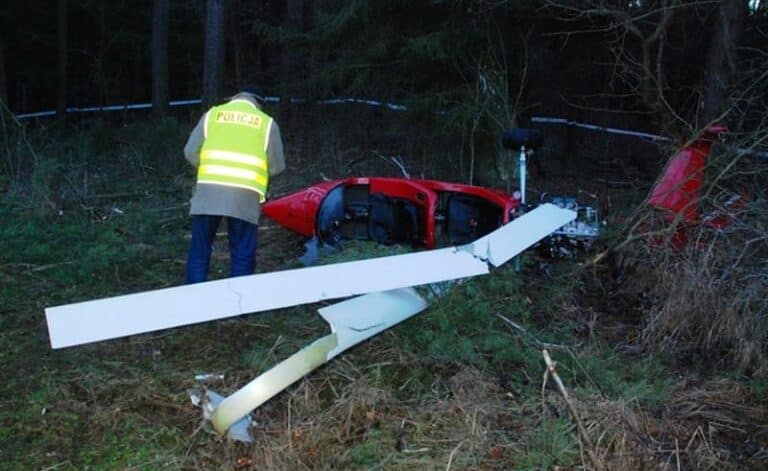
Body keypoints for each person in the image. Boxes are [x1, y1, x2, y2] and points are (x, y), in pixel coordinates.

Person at [183, 86, 286, 283]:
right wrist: (253, 175)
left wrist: (210, 168)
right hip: (244, 195)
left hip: (208, 192)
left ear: (234, 98)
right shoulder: (267, 123)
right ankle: (240, 306)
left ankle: (194, 302)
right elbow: (277, 166)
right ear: (259, 104)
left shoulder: (212, 115)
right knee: (242, 251)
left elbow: (190, 151)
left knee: (200, 248)